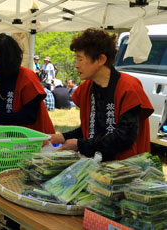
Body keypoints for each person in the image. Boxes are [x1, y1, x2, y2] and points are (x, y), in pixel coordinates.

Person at [50, 28, 154, 161]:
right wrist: (62, 137)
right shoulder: (86, 87)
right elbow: (91, 129)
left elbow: (125, 137)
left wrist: (80, 144)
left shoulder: (128, 87)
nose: (76, 65)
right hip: (95, 164)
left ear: (100, 59)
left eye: (80, 59)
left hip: (123, 167)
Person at [0, 33, 55, 135]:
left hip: (33, 138)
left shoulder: (27, 79)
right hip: (4, 139)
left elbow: (29, 116)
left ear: (5, 61)